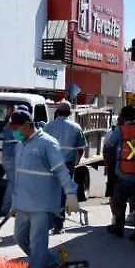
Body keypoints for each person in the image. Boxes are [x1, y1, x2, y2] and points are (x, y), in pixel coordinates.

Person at [6, 110, 78, 268]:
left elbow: (62, 171)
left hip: (42, 205)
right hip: (23, 204)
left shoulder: (48, 144)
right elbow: (19, 175)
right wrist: (14, 201)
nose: (13, 132)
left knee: (37, 244)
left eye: (15, 128)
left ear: (26, 125)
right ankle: (52, 261)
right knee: (20, 238)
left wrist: (71, 194)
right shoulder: (20, 145)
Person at [103, 105, 135, 241]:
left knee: (120, 203)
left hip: (123, 174)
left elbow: (109, 145)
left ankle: (119, 229)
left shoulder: (120, 131)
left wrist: (109, 166)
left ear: (122, 117)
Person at [43, 100, 86, 234]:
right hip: (67, 165)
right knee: (62, 194)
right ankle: (58, 225)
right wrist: (76, 162)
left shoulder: (48, 126)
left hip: (50, 164)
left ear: (57, 112)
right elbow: (80, 149)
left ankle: (47, 222)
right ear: (69, 113)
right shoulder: (76, 127)